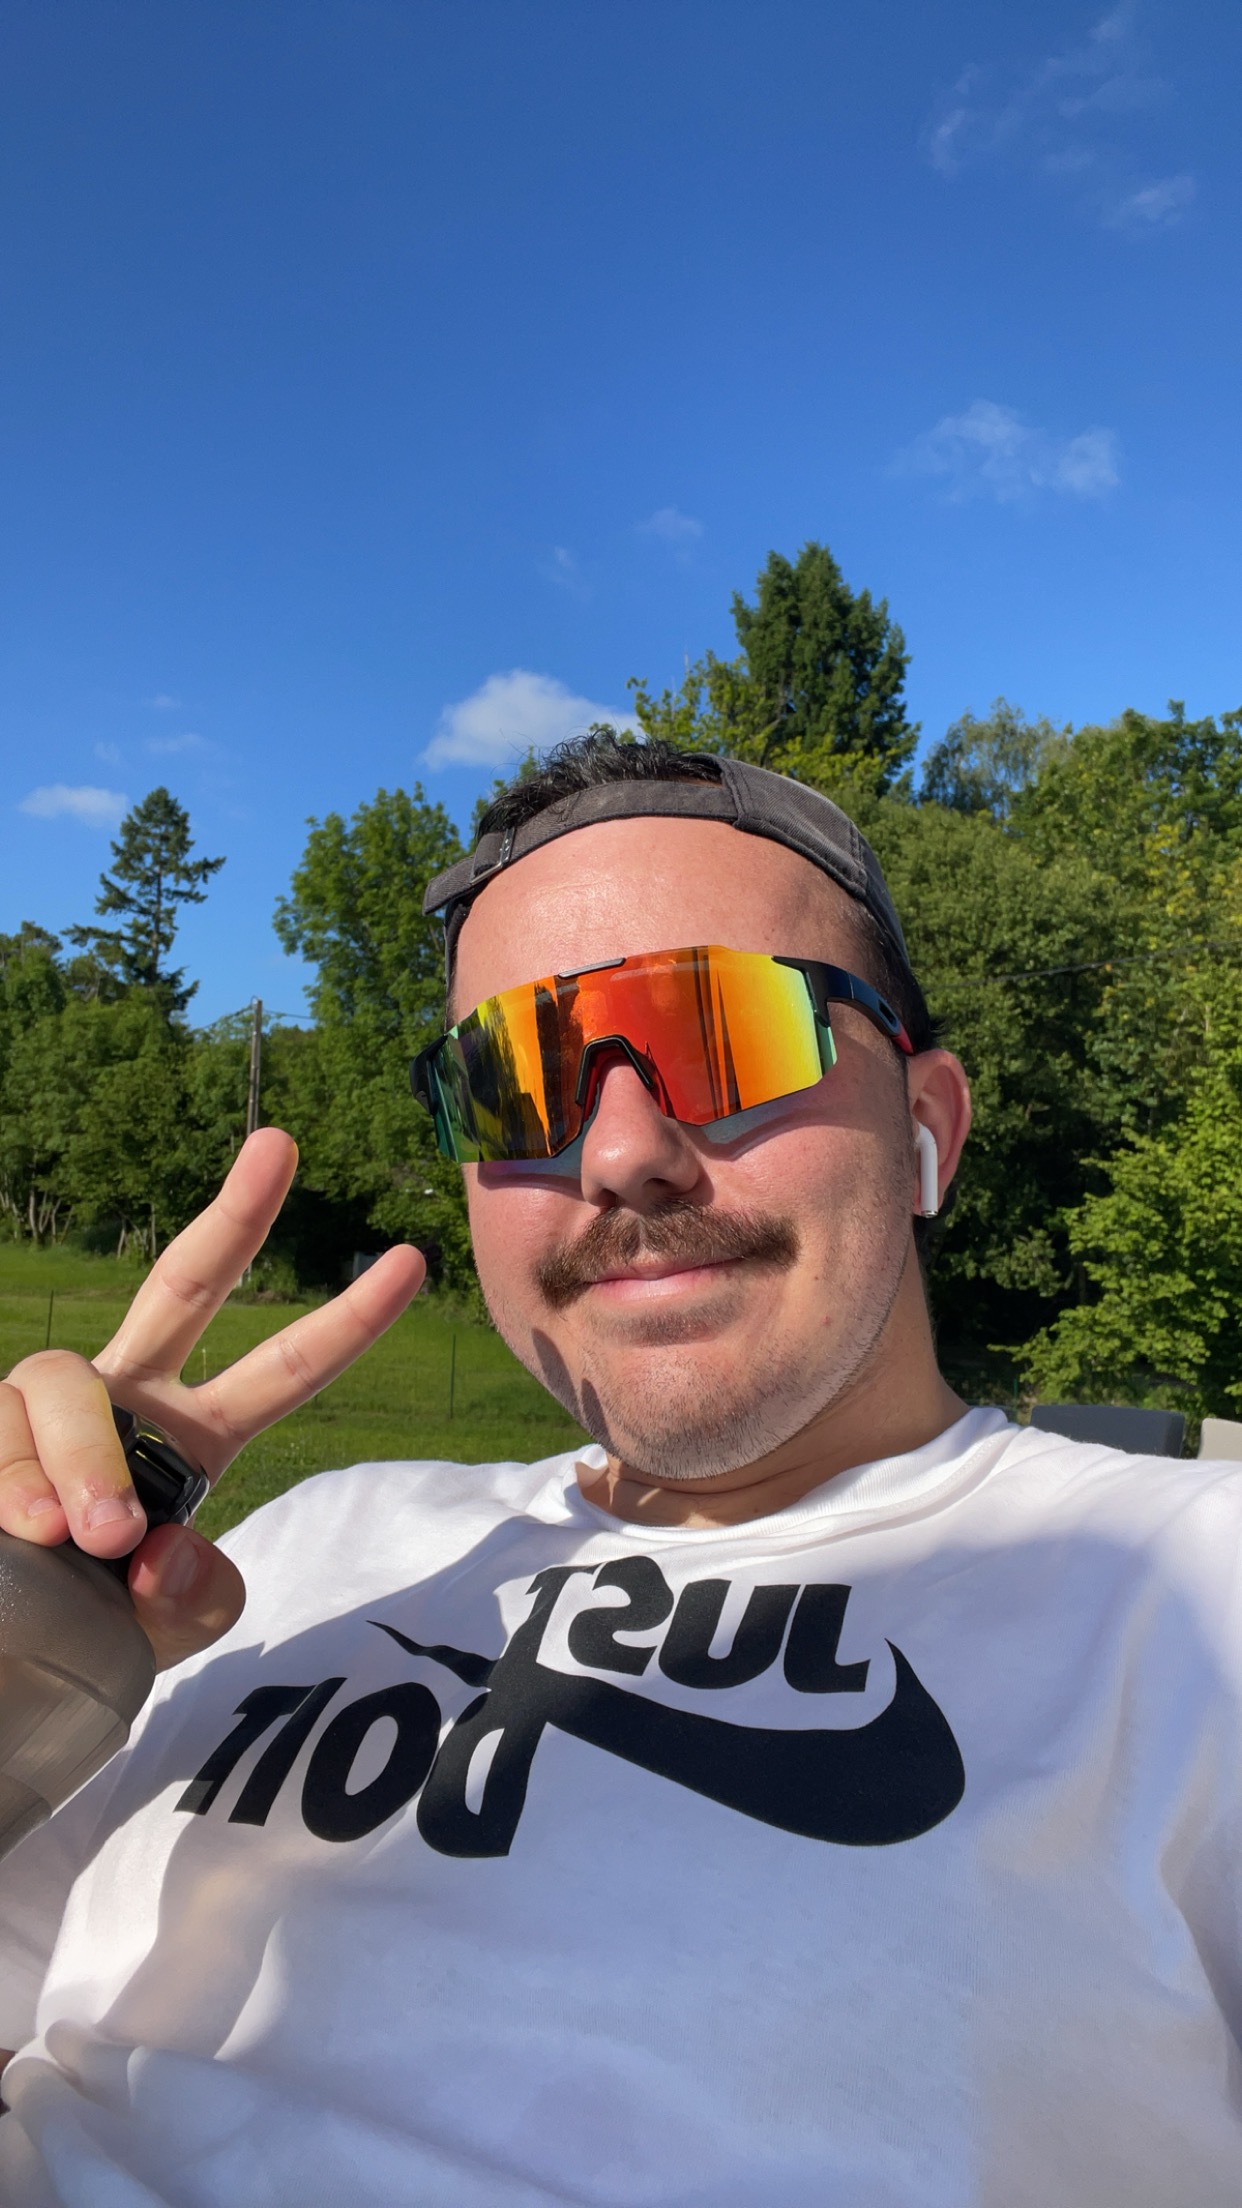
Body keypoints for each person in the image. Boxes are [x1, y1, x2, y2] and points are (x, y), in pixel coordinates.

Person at [1, 731, 1241, 2207]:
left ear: (926, 1126)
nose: (620, 1153)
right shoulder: (298, 1550)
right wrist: (27, 1632)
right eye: (518, 1079)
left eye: (728, 1033)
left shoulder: (1187, 1593)